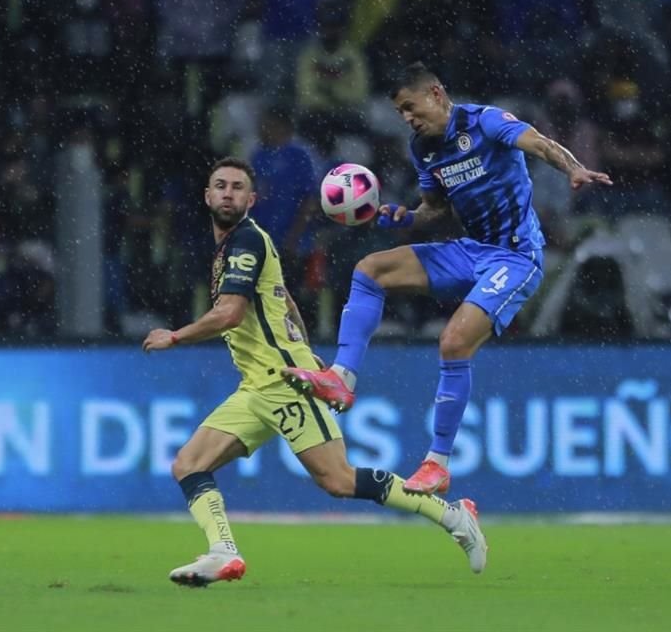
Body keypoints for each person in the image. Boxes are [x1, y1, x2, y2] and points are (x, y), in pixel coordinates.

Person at [142, 156, 487, 587]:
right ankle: (222, 551)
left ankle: (453, 515)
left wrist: (174, 337)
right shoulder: (234, 246)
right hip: (258, 386)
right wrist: (306, 349)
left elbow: (230, 313)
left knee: (338, 480)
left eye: (236, 187)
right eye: (220, 185)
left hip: (282, 382)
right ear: (207, 195)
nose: (227, 192)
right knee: (189, 463)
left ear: (251, 199)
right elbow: (283, 298)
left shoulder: (246, 241)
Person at [282, 62, 612, 495]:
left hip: (514, 258)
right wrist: (406, 217)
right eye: (400, 111)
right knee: (370, 269)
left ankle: (437, 463)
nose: (407, 118)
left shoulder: (485, 121)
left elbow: (540, 143)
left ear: (436, 93)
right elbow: (435, 208)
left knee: (454, 342)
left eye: (410, 107)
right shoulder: (424, 149)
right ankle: (343, 378)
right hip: (471, 250)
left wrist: (571, 168)